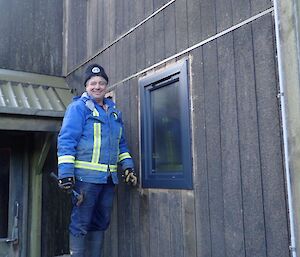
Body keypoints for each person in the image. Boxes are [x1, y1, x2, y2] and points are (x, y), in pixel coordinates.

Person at [57, 64, 137, 257]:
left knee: (101, 222)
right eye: (93, 83)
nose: (97, 86)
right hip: (86, 180)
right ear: (86, 86)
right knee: (81, 222)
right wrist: (66, 173)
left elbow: (121, 144)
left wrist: (127, 166)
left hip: (108, 180)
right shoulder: (78, 108)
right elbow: (67, 139)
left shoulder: (114, 113)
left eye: (101, 83)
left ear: (106, 86)